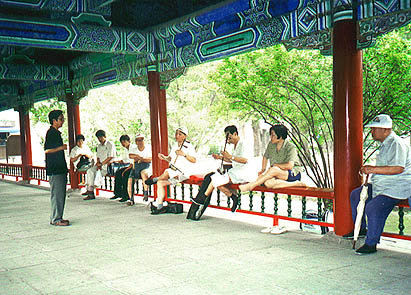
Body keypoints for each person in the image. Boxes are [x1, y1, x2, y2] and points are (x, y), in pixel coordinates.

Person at [344, 114, 411, 255]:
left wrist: (373, 169)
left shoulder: (397, 143)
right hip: (382, 185)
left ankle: (371, 243)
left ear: (386, 130)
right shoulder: (386, 144)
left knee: (373, 207)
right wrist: (371, 170)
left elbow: (399, 168)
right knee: (356, 195)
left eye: (375, 128)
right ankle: (361, 229)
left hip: (395, 187)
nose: (372, 131)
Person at [191, 125, 255, 212]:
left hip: (243, 172)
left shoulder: (243, 144)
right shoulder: (235, 145)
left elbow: (245, 160)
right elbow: (232, 160)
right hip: (235, 171)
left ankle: (203, 198)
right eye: (227, 138)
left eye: (230, 137)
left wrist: (230, 156)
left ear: (235, 134)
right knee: (215, 180)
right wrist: (220, 157)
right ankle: (233, 197)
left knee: (215, 180)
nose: (228, 140)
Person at [239, 124, 306, 192]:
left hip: (292, 173)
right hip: (276, 173)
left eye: (273, 135)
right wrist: (263, 170)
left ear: (280, 136)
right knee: (268, 183)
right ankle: (296, 183)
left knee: (274, 169)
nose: (270, 137)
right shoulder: (271, 144)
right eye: (270, 135)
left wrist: (276, 166)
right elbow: (265, 157)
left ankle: (252, 185)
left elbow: (290, 166)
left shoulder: (290, 147)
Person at [145, 127, 197, 214]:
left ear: (185, 136)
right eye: (176, 134)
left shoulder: (189, 146)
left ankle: (155, 179)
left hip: (182, 173)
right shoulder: (175, 146)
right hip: (173, 171)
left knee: (166, 172)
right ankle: (160, 206)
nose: (177, 136)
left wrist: (184, 155)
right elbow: (171, 159)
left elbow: (194, 160)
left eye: (180, 134)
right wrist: (164, 158)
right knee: (160, 183)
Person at [44, 110, 69, 226]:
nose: (63, 121)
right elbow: (47, 150)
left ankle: (59, 216)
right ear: (54, 121)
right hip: (55, 169)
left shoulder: (57, 133)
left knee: (60, 194)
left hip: (60, 168)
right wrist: (61, 148)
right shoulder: (51, 133)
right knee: (57, 194)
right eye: (60, 119)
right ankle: (55, 219)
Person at [82, 130, 116, 200]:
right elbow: (98, 157)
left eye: (101, 137)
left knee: (96, 173)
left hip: (108, 166)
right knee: (90, 171)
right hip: (100, 165)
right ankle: (90, 191)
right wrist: (98, 164)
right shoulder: (99, 146)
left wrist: (101, 164)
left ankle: (90, 191)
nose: (100, 139)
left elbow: (111, 157)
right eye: (98, 138)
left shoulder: (110, 144)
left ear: (105, 136)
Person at [126, 134, 152, 205]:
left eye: (141, 140)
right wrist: (138, 157)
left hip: (146, 166)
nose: (140, 142)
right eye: (138, 140)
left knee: (144, 173)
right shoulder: (134, 148)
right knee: (130, 181)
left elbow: (150, 159)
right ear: (136, 141)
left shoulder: (148, 147)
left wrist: (141, 159)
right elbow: (130, 155)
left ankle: (146, 192)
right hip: (136, 167)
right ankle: (131, 199)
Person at [110, 135, 134, 202]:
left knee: (125, 174)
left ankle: (126, 196)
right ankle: (118, 193)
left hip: (135, 166)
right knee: (118, 172)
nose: (123, 143)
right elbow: (125, 160)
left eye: (124, 141)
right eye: (122, 142)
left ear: (129, 141)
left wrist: (126, 169)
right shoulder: (126, 149)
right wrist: (115, 161)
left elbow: (133, 162)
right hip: (130, 166)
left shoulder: (133, 148)